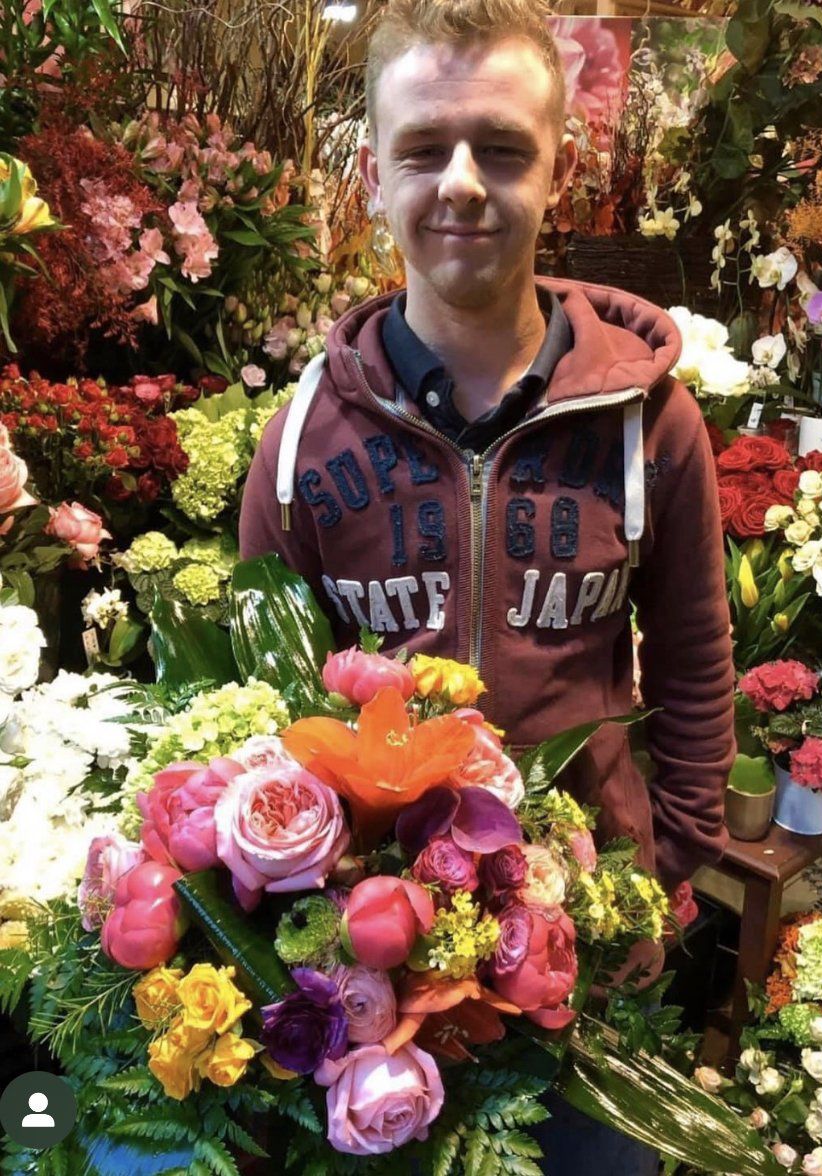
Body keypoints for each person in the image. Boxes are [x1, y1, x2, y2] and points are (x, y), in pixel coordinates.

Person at [240, 2, 735, 1171]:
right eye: (423, 148)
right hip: (372, 980)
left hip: (585, 963)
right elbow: (258, 704)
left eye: (502, 148)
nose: (461, 182)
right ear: (371, 174)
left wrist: (666, 873)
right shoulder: (303, 439)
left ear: (557, 167)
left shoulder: (647, 426)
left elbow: (693, 661)